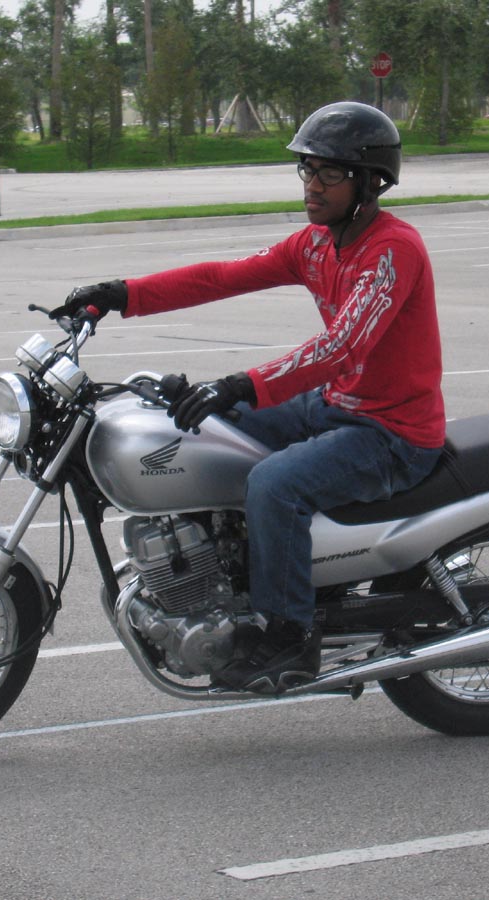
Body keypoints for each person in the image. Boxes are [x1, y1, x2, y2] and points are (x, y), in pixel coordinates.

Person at [51, 101, 446, 694]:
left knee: (275, 484)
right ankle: (223, 572)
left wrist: (239, 383)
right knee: (204, 429)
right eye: (307, 170)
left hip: (393, 432)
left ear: (369, 183)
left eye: (329, 173)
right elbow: (221, 276)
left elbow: (340, 348)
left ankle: (289, 637)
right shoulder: (317, 244)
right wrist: (121, 294)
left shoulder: (392, 251)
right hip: (337, 404)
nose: (312, 185)